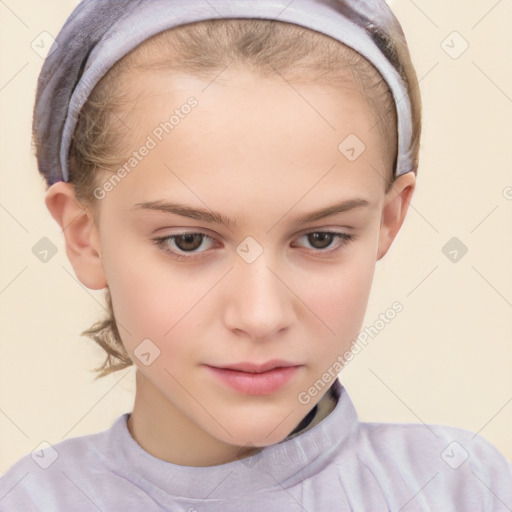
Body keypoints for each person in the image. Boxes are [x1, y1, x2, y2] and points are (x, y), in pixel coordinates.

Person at [1, 0, 511, 510]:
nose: (260, 316)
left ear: (388, 219)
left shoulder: (461, 489)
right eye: (188, 241)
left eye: (320, 238)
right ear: (83, 233)